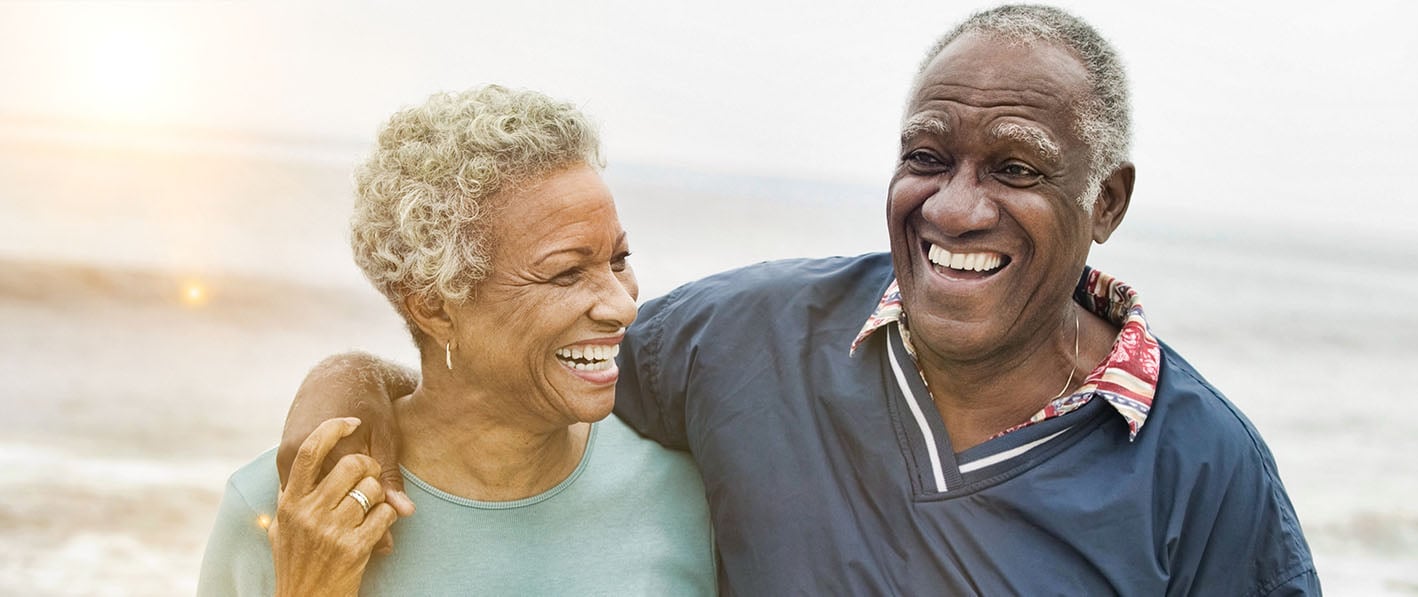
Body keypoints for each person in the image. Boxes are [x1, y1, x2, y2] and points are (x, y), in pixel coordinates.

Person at [277, 5, 1320, 595]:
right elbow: (506, 381)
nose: (957, 208)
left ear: (1109, 201)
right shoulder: (747, 339)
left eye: (1017, 168)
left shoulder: (1204, 471)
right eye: (927, 157)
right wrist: (338, 404)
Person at [198, 86, 716, 596]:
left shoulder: (690, 491)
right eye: (565, 274)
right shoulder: (286, 513)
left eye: (617, 261)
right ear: (435, 306)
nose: (623, 306)